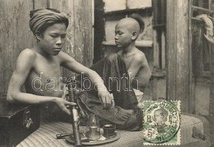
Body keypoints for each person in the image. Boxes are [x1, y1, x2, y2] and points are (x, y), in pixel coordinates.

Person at [7, 8, 142, 130]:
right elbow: (12, 95)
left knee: (113, 59)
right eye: (54, 36)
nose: (60, 41)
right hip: (68, 106)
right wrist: (53, 100)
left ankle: (129, 108)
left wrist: (101, 87)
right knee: (135, 120)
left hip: (76, 92)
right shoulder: (29, 55)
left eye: (63, 36)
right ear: (38, 34)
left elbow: (90, 72)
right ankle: (126, 114)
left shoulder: (57, 55)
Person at [114, 14, 151, 91]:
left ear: (133, 35)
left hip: (140, 97)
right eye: (115, 33)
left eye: (120, 33)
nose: (116, 37)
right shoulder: (119, 55)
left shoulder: (138, 57)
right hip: (127, 93)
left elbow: (125, 83)